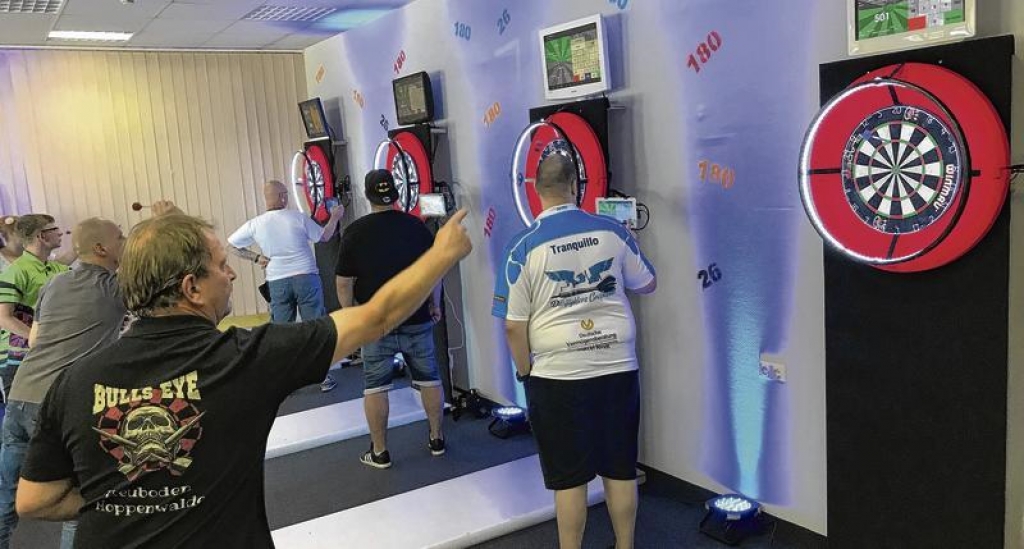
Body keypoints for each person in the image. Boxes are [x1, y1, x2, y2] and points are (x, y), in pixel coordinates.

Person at [15, 208, 471, 547]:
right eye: (220, 265)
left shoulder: (75, 380)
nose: (231, 273)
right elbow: (376, 316)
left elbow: (35, 501)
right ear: (192, 288)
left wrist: (133, 496)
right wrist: (442, 252)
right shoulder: (245, 359)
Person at [492, 154, 656, 549]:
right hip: (618, 367)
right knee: (620, 467)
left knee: (569, 478)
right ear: (575, 185)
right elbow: (647, 284)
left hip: (556, 377)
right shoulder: (612, 230)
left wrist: (524, 371)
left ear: (534, 189)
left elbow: (513, 323)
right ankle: (625, 545)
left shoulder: (522, 246)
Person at [0, 217, 128, 549]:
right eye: (120, 237)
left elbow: (35, 341)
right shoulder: (116, 288)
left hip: (21, 393)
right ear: (101, 248)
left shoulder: (54, 284)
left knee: (5, 498)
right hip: (58, 404)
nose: (125, 241)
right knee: (79, 500)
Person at [335, 169, 445, 469]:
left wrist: (351, 317)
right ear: (396, 194)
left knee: (375, 387)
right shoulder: (418, 227)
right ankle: (437, 439)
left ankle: (380, 452)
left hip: (375, 324)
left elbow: (344, 282)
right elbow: (433, 273)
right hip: (417, 317)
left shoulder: (355, 232)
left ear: (368, 196)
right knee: (430, 379)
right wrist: (435, 305)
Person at [228, 180, 345, 392]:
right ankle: (323, 378)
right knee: (315, 326)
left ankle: (283, 380)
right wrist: (335, 216)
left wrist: (256, 258)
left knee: (282, 330)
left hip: (277, 281)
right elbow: (325, 236)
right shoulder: (297, 218)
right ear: (282, 196)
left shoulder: (255, 224)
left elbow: (232, 246)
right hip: (306, 277)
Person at [0, 215, 71, 400]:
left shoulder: (58, 270)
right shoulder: (15, 272)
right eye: (54, 229)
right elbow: (4, 318)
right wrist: (39, 338)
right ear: (42, 236)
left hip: (50, 355)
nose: (60, 232)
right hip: (19, 359)